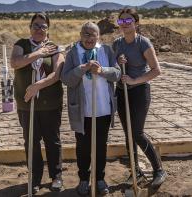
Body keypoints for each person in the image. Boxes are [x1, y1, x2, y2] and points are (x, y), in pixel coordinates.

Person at [61, 22, 121, 196]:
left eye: (93, 34)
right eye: (85, 34)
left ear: (98, 36)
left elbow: (117, 74)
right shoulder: (73, 53)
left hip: (103, 109)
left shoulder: (106, 51)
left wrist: (102, 70)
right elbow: (66, 79)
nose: (89, 38)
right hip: (83, 111)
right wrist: (81, 69)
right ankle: (84, 179)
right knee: (83, 148)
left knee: (101, 147)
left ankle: (100, 179)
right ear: (80, 35)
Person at [112, 8, 167, 188]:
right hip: (121, 92)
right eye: (121, 21)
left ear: (136, 23)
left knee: (137, 133)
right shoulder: (117, 43)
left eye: (128, 21)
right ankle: (136, 172)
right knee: (128, 134)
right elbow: (112, 68)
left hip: (139, 91)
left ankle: (159, 170)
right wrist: (117, 63)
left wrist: (135, 80)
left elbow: (156, 70)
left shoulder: (143, 43)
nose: (124, 24)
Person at [10, 13, 64, 194]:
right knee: (31, 142)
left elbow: (56, 75)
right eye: (36, 25)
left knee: (52, 140)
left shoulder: (55, 48)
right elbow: (15, 63)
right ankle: (35, 177)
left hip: (50, 104)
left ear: (48, 29)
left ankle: (56, 175)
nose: (39, 29)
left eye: (43, 26)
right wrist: (37, 54)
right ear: (30, 27)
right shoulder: (21, 45)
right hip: (27, 104)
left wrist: (37, 86)